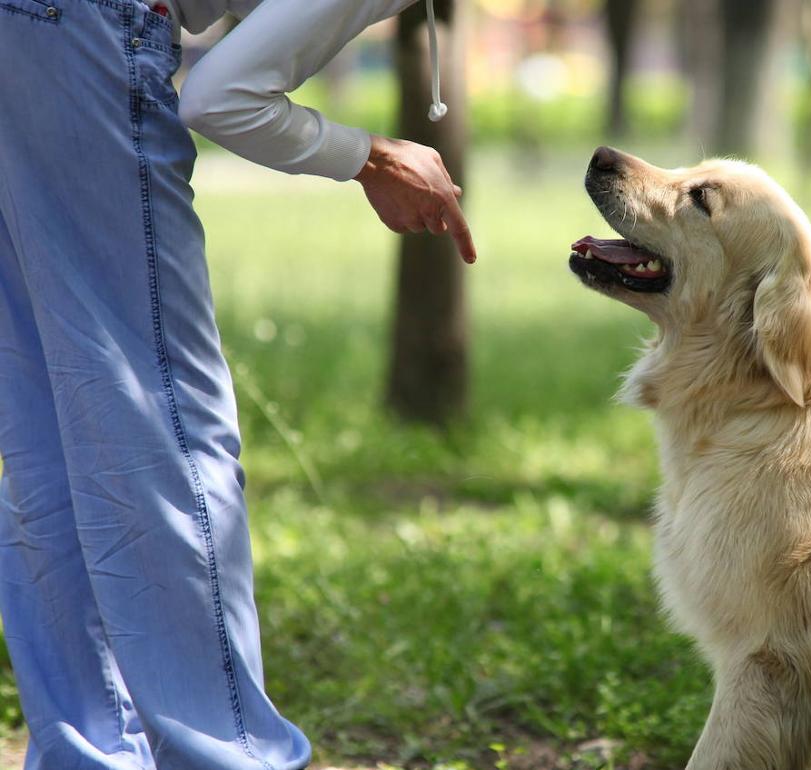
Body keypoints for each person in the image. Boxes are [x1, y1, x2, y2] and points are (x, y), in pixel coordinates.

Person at [0, 1, 471, 768]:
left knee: (50, 423)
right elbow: (221, 94)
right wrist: (370, 154)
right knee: (163, 419)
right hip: (84, 30)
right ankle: (223, 756)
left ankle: (88, 752)